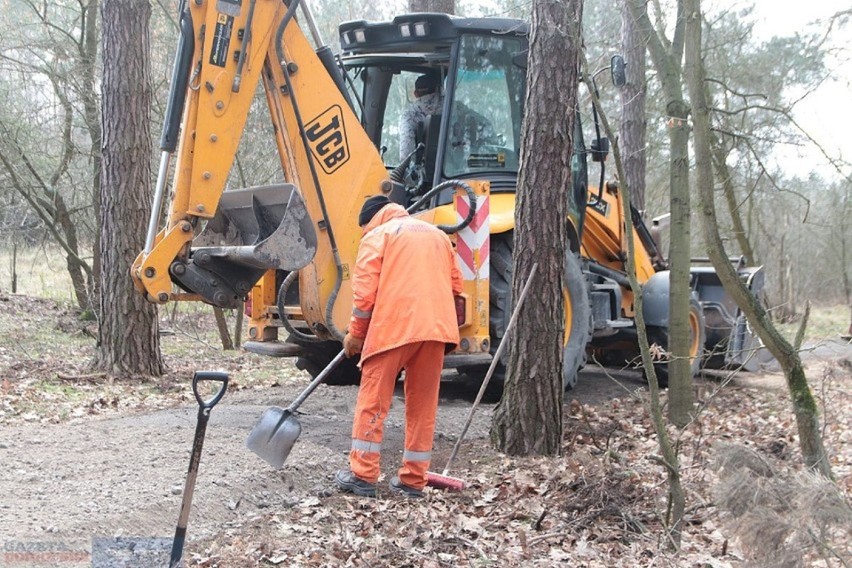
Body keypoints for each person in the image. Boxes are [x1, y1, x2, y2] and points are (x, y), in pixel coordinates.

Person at [335, 195, 463, 498]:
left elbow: (364, 299)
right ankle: (413, 480)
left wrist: (355, 335)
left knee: (374, 401)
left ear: (369, 222)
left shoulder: (377, 236)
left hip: (392, 329)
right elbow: (456, 288)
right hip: (435, 331)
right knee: (423, 406)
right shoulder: (438, 236)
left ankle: (362, 475)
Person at [398, 73, 443, 161]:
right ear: (438, 89)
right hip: (460, 171)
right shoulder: (456, 107)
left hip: (426, 172)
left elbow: (406, 155)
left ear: (415, 94)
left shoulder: (409, 115)